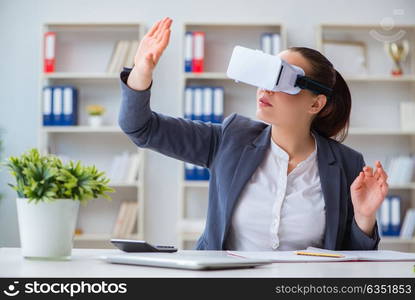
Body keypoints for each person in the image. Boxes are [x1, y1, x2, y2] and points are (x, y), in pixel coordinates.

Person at [118, 17, 388, 251]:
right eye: (266, 76)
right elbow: (141, 128)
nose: (265, 89)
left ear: (315, 104)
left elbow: (353, 262)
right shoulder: (230, 139)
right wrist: (142, 71)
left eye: (281, 79)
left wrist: (364, 219)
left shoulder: (346, 164)